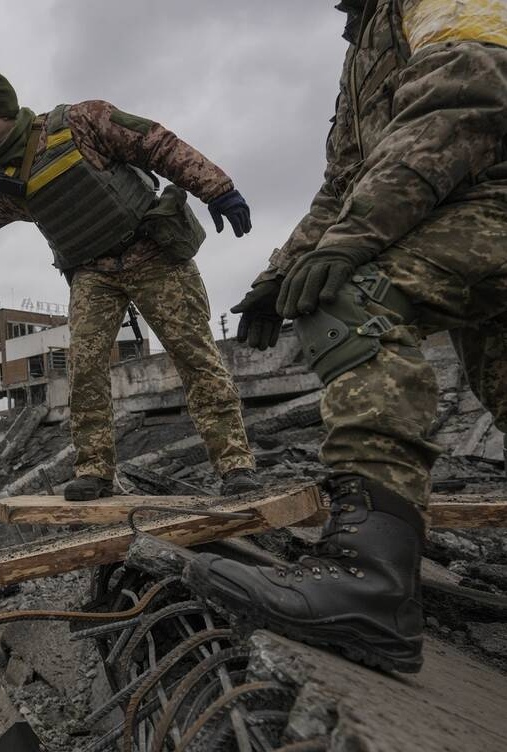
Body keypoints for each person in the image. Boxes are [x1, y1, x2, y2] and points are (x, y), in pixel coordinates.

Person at [186, 1, 507, 674]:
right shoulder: (364, 42)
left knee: (352, 301)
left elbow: (471, 86)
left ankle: (369, 586)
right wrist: (279, 275)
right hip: (468, 215)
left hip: (491, 196)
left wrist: (351, 245)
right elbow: (343, 185)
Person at [0, 70, 262, 501]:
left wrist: (217, 188)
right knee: (84, 370)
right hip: (93, 275)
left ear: (2, 113)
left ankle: (235, 467)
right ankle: (95, 471)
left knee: (196, 358)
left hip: (152, 254)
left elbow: (157, 143)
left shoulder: (80, 121)